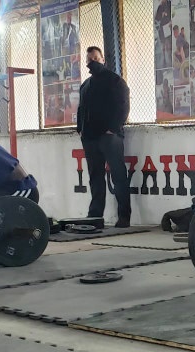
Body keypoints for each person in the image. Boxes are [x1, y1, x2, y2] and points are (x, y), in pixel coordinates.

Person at [76, 46, 132, 228]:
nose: (92, 62)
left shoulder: (115, 81)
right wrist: (81, 130)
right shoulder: (85, 85)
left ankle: (124, 217)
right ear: (86, 63)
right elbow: (81, 110)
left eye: (96, 58)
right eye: (89, 59)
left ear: (103, 60)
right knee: (95, 177)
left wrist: (113, 129)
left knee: (118, 176)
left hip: (110, 137)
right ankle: (95, 217)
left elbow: (123, 105)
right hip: (90, 137)